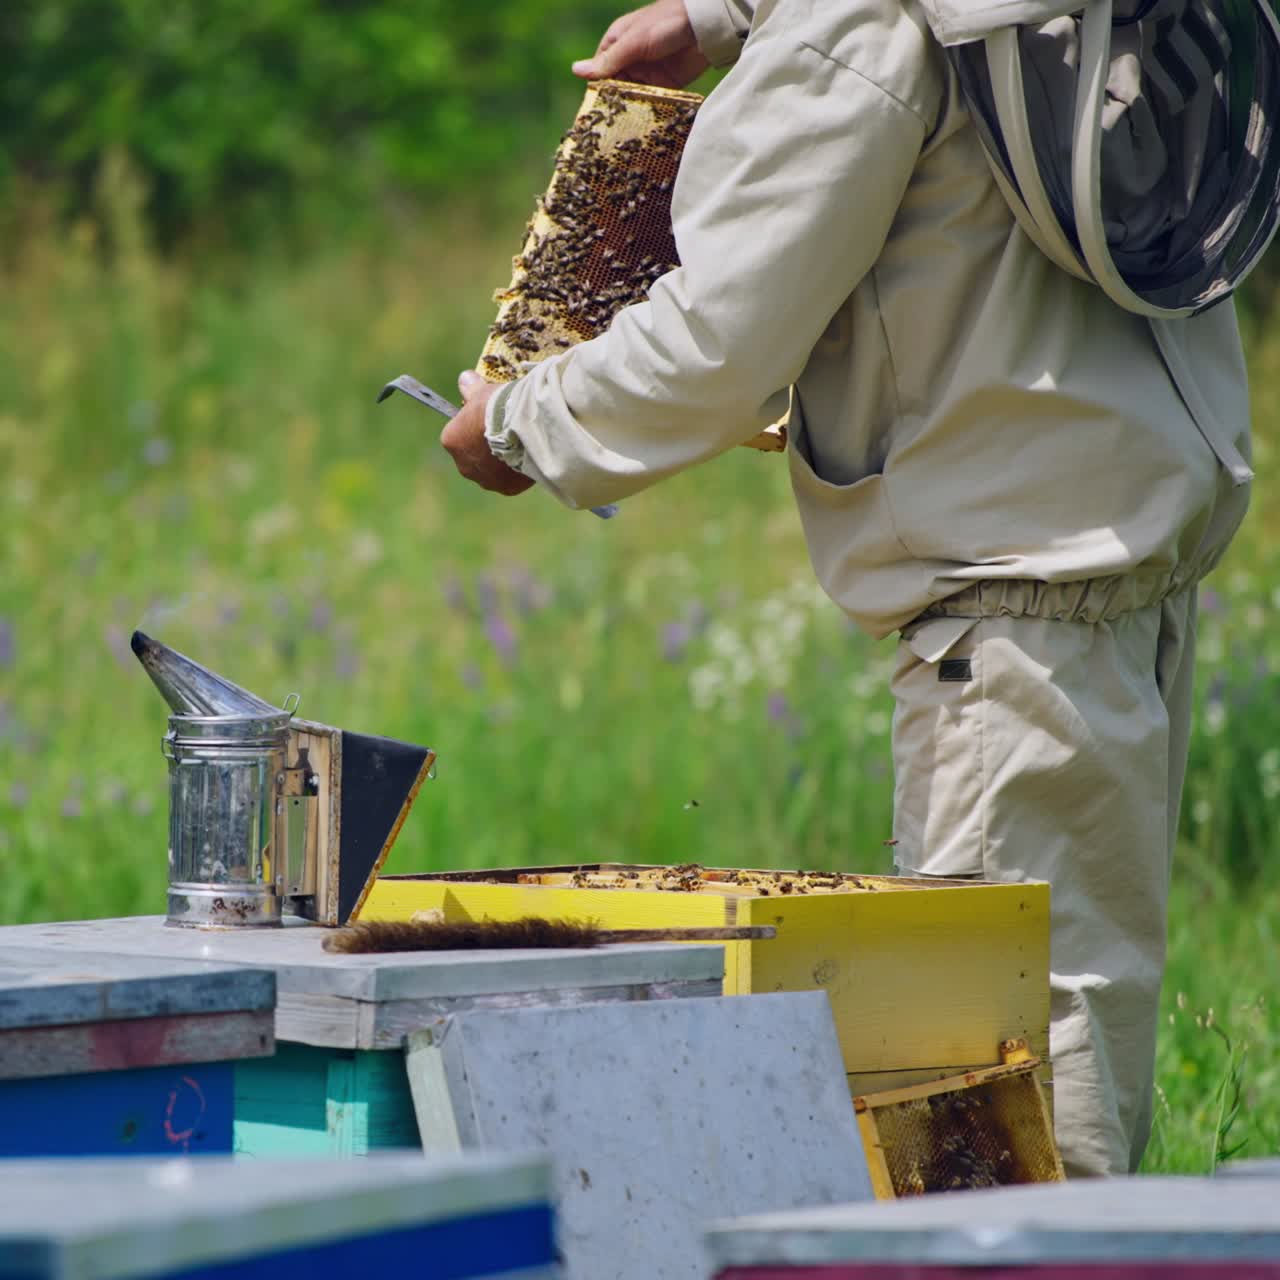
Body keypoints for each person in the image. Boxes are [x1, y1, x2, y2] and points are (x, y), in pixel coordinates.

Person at [439, 0, 1252, 1178]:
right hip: (1121, 579)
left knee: (1009, 1134)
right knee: (1079, 1071)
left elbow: (717, 343)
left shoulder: (851, 27)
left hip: (1007, 630)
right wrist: (721, 16)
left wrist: (520, 423)